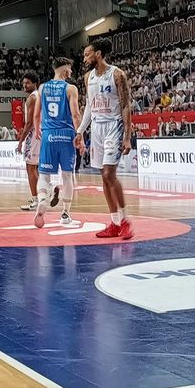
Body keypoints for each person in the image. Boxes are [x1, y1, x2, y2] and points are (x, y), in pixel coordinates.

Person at [76, 39, 133, 240]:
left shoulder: (117, 74)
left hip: (114, 126)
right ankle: (115, 223)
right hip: (97, 128)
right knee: (103, 176)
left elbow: (126, 105)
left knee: (109, 174)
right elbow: (89, 107)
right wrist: (80, 131)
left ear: (98, 54)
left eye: (87, 54)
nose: (84, 58)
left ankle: (125, 221)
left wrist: (127, 137)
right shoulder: (87, 78)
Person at [33, 56, 80, 228]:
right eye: (70, 68)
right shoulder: (71, 88)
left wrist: (38, 129)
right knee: (67, 176)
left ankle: (42, 199)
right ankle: (66, 214)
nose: (71, 71)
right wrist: (80, 134)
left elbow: (37, 114)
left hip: (48, 134)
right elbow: (75, 114)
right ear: (63, 67)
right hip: (66, 134)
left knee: (44, 175)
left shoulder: (43, 87)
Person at [16, 72, 59, 212]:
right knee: (39, 167)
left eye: (27, 82)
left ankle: (36, 199)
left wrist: (21, 141)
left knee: (30, 167)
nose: (24, 85)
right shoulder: (42, 95)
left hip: (35, 133)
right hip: (45, 131)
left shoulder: (32, 98)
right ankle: (46, 192)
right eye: (23, 83)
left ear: (35, 83)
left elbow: (29, 123)